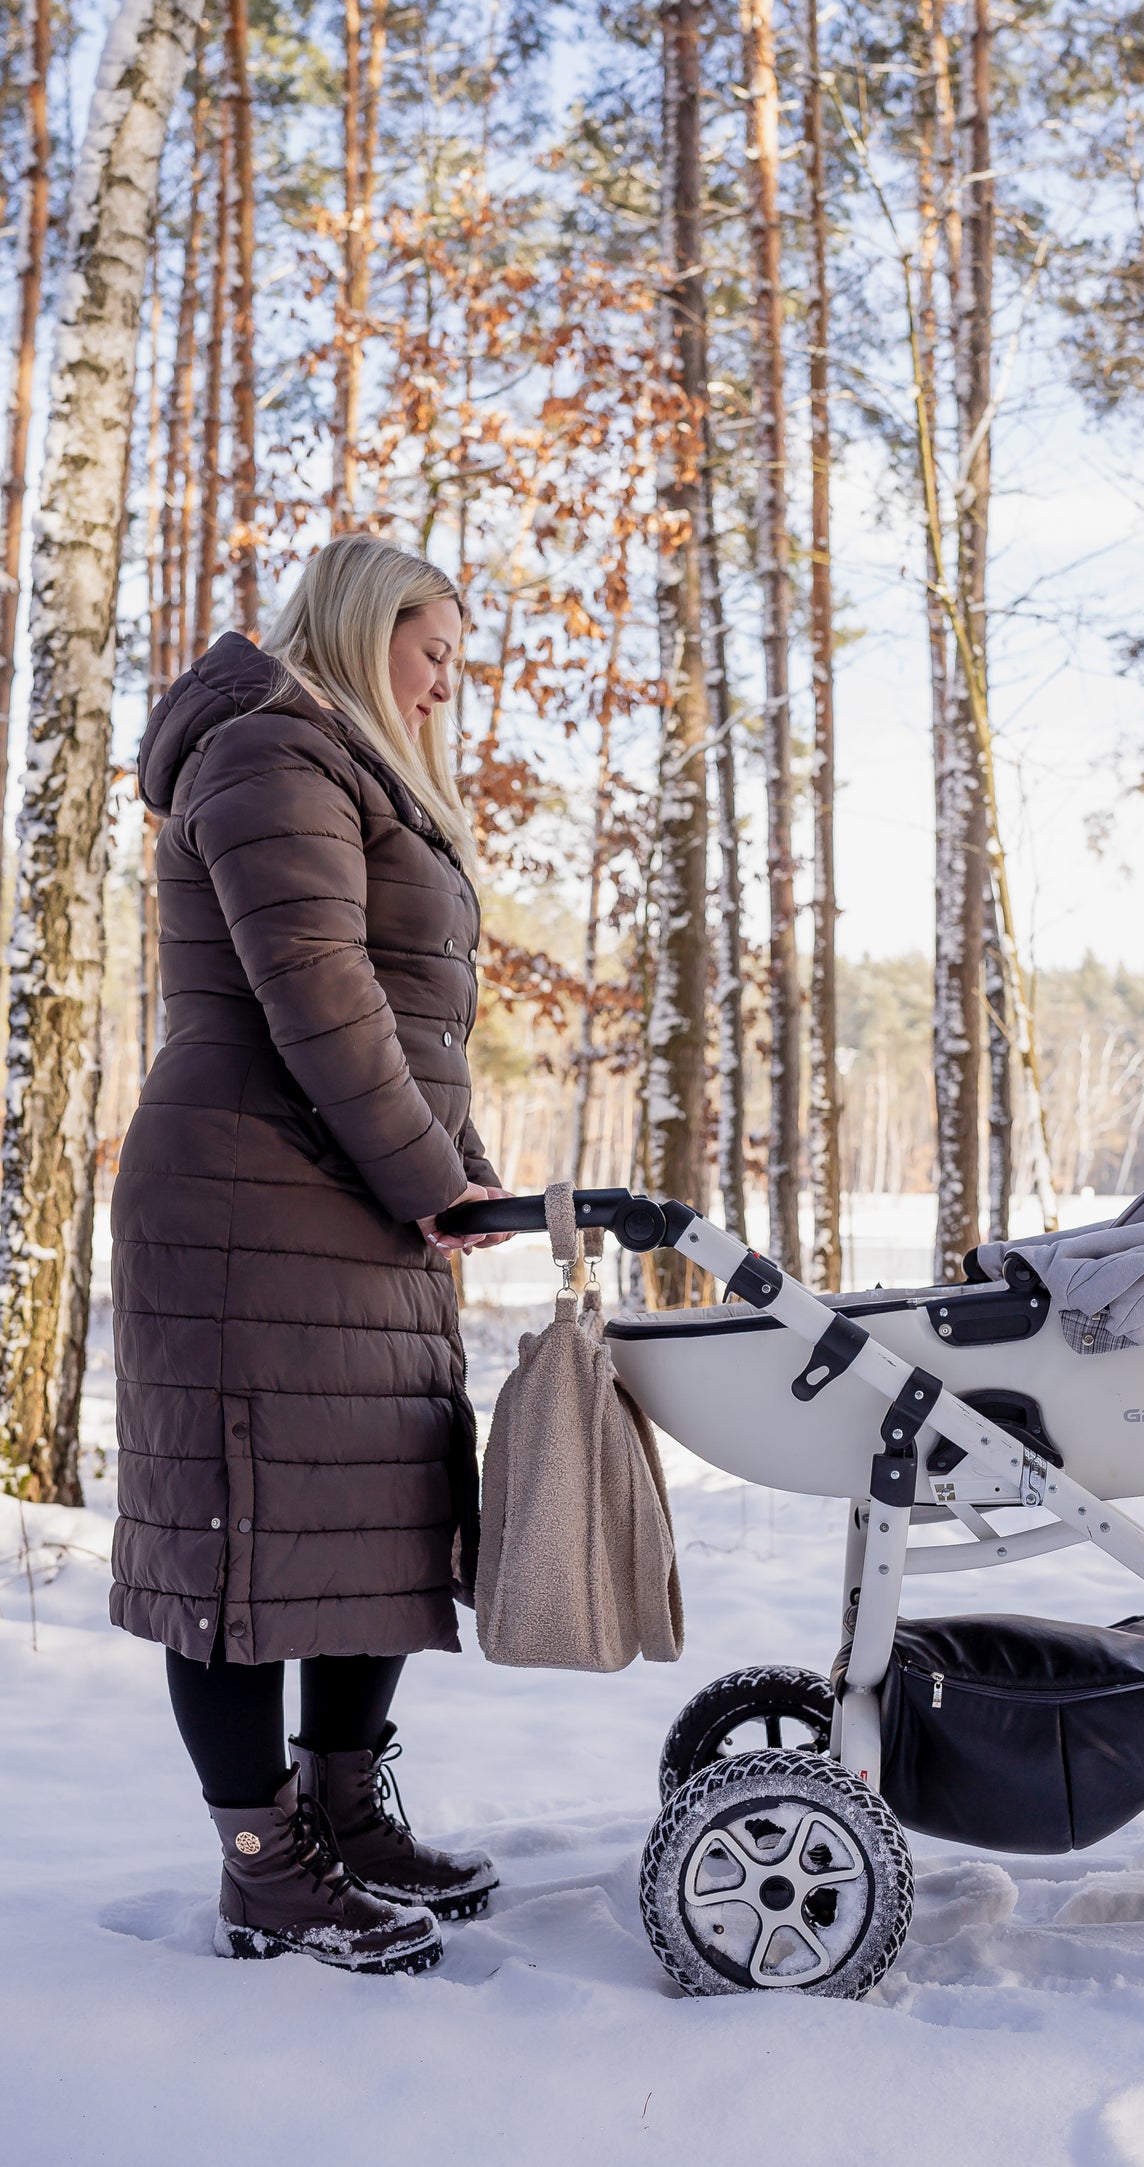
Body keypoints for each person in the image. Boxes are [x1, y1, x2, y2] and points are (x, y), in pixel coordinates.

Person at [111, 534, 511, 1975]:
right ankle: (266, 1859)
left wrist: (460, 1178)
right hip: (245, 1197)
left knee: (380, 1505)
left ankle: (345, 1803)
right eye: (432, 654)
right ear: (361, 630)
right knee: (247, 1522)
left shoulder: (350, 766)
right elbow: (320, 997)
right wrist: (426, 1180)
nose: (445, 688)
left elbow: (407, 1033)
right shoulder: (272, 754)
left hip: (350, 1192)